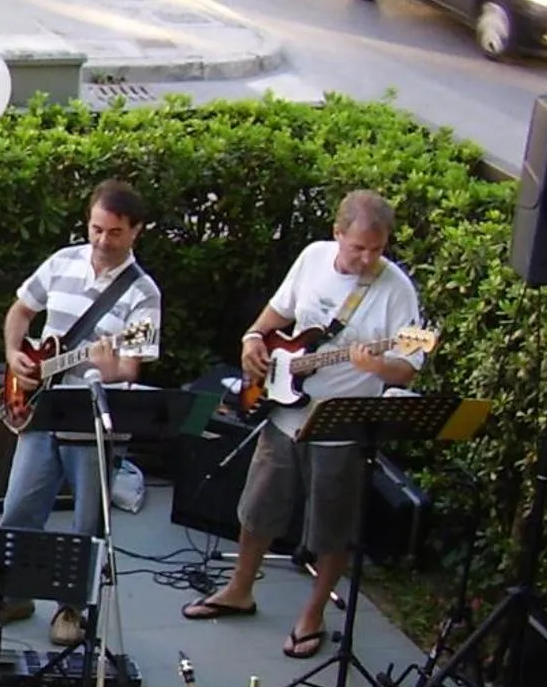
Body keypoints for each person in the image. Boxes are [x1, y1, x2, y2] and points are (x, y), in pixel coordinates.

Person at [183, 190, 427, 659]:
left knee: (332, 524)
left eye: (378, 249)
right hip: (284, 409)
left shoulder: (397, 290)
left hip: (341, 423)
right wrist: (252, 339)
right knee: (258, 506)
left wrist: (377, 367)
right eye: (358, 248)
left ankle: (312, 614)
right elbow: (277, 314)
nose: (368, 258)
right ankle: (239, 589)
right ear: (337, 234)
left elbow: (408, 367)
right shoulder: (313, 257)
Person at [0, 181, 162, 646]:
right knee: (18, 508)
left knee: (87, 523)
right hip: (43, 409)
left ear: (136, 231)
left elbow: (130, 366)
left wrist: (111, 368)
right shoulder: (62, 261)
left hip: (92, 421)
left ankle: (71, 609)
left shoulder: (143, 293)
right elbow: (21, 311)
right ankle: (14, 595)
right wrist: (13, 353)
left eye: (115, 232)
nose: (103, 241)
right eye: (96, 229)